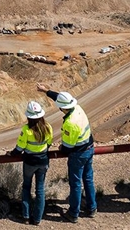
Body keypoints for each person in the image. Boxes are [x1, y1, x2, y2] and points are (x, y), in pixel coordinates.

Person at [36, 83, 96, 223]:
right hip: (90, 148)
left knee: (75, 184)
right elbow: (61, 97)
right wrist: (46, 91)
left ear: (63, 108)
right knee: (88, 179)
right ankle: (92, 208)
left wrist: (61, 149)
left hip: (79, 154)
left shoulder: (70, 123)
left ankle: (73, 213)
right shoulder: (77, 107)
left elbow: (68, 147)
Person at [9, 101, 54, 226]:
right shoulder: (48, 127)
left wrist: (11, 154)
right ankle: (38, 218)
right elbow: (49, 143)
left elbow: (20, 148)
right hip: (43, 162)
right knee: (40, 190)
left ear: (29, 116)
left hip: (29, 163)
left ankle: (26, 216)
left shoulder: (26, 130)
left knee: (26, 187)